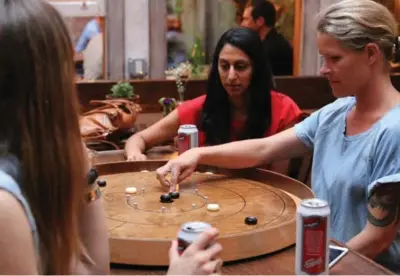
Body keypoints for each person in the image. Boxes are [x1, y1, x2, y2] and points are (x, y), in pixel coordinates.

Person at [156, 0, 400, 273]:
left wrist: (312, 265)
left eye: (334, 58)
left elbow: (377, 238)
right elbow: (265, 148)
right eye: (323, 59)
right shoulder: (336, 112)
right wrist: (198, 153)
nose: (323, 69)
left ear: (370, 54)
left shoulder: (394, 130)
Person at [0, 0, 221, 275]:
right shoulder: (4, 206)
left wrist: (84, 176)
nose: (76, 83)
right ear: (45, 83)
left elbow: (95, 271)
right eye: (68, 70)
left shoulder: (30, 166)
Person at [125, 27, 302, 161]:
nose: (231, 76)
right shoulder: (200, 108)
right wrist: (135, 156)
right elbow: (139, 138)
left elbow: (279, 182)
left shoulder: (283, 110)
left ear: (256, 68)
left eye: (240, 67)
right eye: (224, 66)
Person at [241, 0, 293, 76]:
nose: (242, 24)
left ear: (260, 21)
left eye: (246, 19)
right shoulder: (266, 42)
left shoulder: (273, 48)